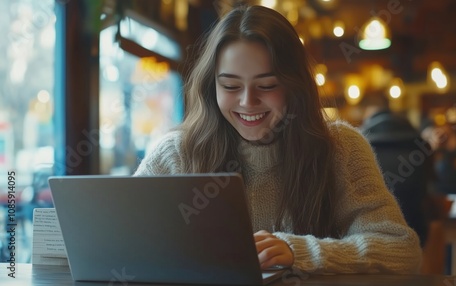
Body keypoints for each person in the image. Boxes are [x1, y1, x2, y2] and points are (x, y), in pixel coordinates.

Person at [134, 5, 421, 274]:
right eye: (231, 85)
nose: (248, 102)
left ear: (294, 85)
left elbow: (401, 251)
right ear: (212, 87)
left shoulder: (341, 147)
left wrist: (299, 252)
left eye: (267, 85)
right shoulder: (177, 153)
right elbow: (125, 243)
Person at [359, 92, 431, 247]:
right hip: (416, 234)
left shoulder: (359, 143)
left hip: (370, 239)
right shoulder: (417, 140)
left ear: (367, 112)